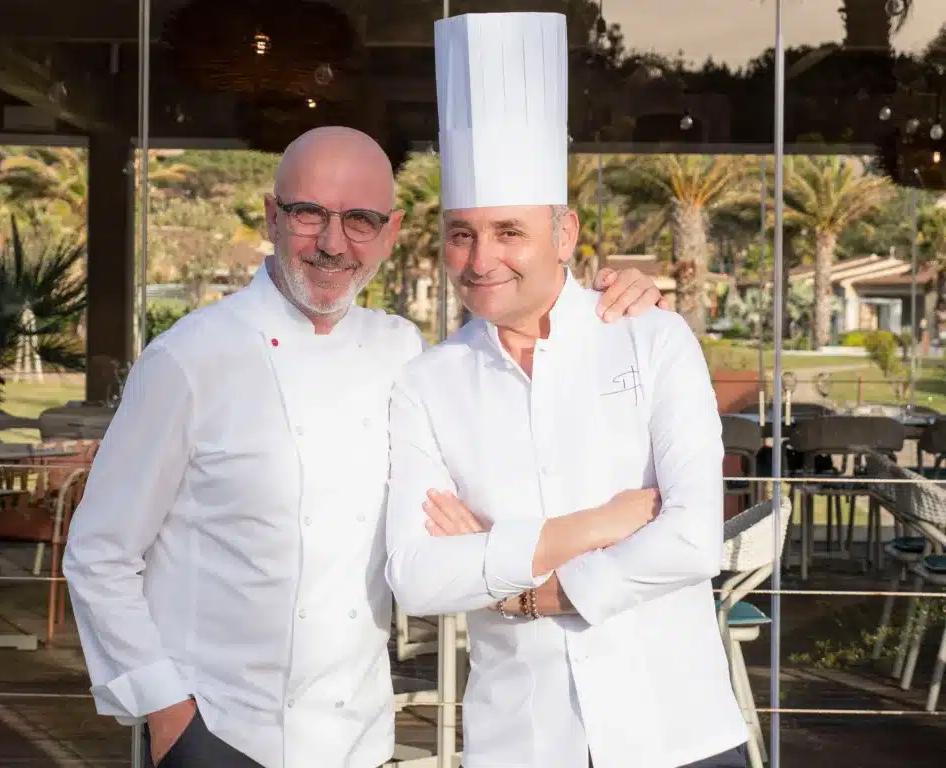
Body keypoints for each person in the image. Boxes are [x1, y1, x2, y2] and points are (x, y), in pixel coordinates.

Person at [62, 123, 667, 768]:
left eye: (359, 220)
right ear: (272, 216)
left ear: (391, 230)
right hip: (223, 731)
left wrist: (605, 311)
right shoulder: (189, 359)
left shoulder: (403, 352)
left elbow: (520, 385)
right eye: (307, 214)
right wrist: (168, 714)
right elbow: (99, 553)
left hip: (361, 738)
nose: (331, 243)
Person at [384, 12, 749, 768]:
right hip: (521, 741)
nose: (481, 259)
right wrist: (604, 524)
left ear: (566, 233)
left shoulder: (651, 338)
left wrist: (514, 579)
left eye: (508, 231)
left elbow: (691, 536)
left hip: (676, 731)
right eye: (461, 232)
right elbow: (418, 577)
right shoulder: (427, 383)